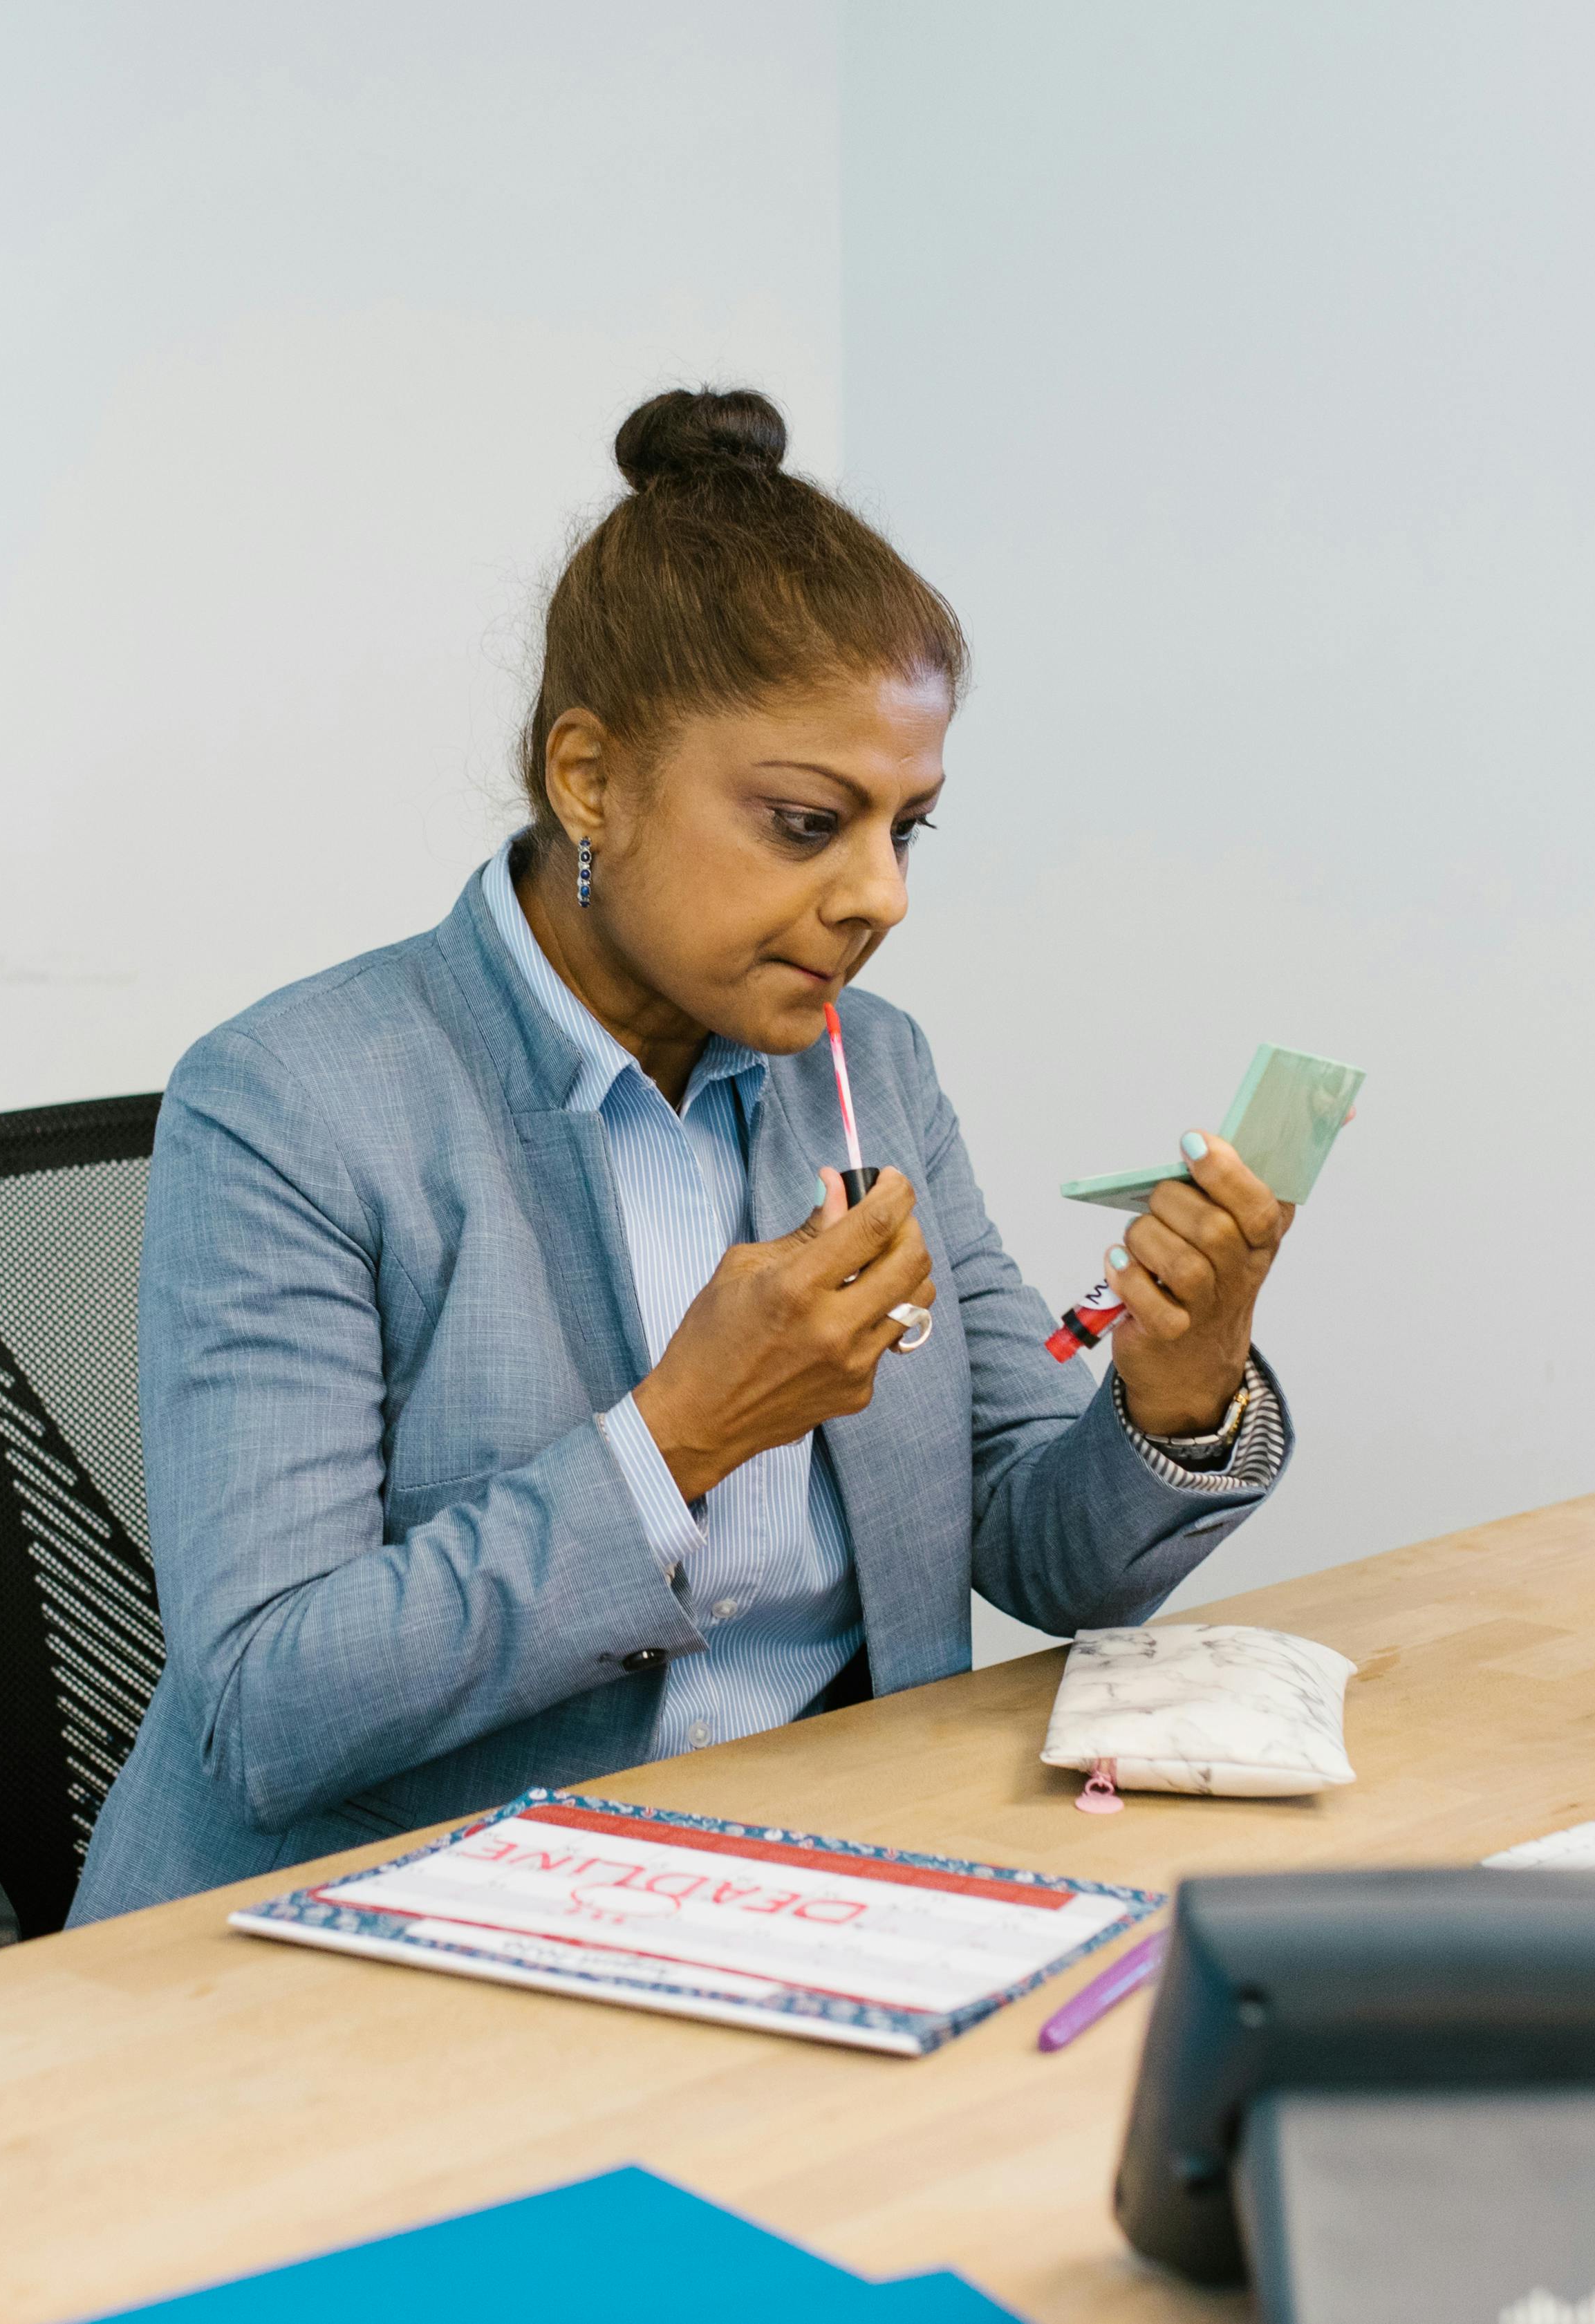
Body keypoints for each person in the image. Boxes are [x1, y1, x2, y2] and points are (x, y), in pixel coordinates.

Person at [71, 388, 1296, 1920]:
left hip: (802, 1887)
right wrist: (675, 1445)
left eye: (905, 828)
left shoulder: (869, 1068)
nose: (878, 897)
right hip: (391, 1930)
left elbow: (1035, 1544)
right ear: (589, 779)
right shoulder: (293, 1105)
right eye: (805, 822)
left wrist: (1174, 1399)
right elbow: (265, 1708)